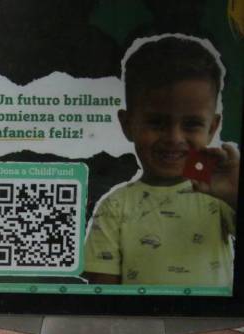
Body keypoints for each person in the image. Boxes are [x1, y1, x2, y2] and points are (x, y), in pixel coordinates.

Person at [83, 36, 239, 288]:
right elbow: (103, 297)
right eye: (157, 122)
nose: (174, 138)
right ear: (127, 124)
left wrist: (235, 193)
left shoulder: (221, 196)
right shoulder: (113, 207)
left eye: (191, 124)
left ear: (212, 128)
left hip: (211, 326)